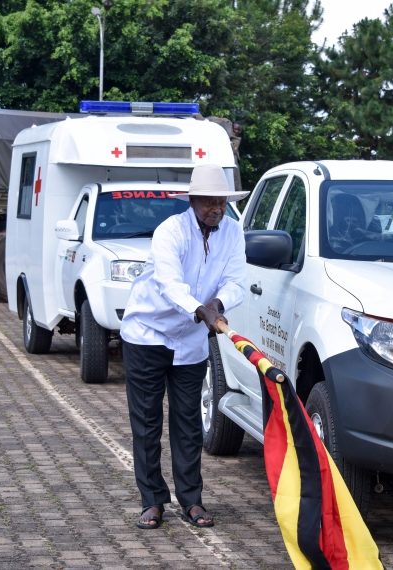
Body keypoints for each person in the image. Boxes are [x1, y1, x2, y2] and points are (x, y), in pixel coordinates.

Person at [119, 164, 249, 530]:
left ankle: (191, 500)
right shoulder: (170, 231)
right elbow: (169, 282)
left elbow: (237, 280)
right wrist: (199, 309)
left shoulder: (233, 233)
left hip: (191, 342)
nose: (216, 209)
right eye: (209, 202)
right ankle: (152, 500)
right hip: (148, 333)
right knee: (147, 423)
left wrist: (218, 306)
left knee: (188, 423)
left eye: (221, 202)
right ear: (192, 201)